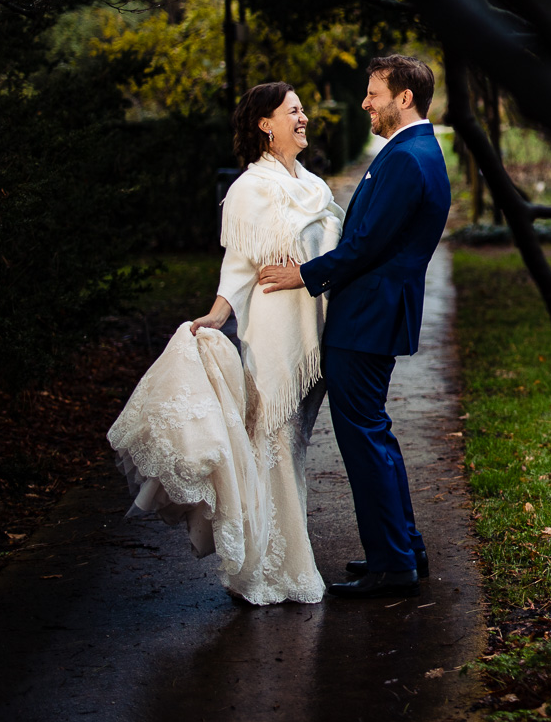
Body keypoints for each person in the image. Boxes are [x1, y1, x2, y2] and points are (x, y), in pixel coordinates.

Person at [108, 82, 343, 605]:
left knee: (296, 447)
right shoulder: (248, 191)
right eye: (294, 111)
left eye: (303, 110)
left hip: (316, 337)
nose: (304, 118)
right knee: (275, 446)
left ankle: (283, 555)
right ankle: (266, 569)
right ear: (266, 124)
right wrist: (216, 316)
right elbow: (238, 267)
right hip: (275, 337)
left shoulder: (315, 185)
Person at [258, 55, 450, 599]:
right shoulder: (410, 153)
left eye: (373, 93)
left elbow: (366, 246)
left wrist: (305, 275)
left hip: (367, 317)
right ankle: (402, 549)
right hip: (373, 314)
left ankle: (394, 562)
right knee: (374, 432)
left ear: (404, 98)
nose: (365, 102)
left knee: (364, 436)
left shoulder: (409, 159)